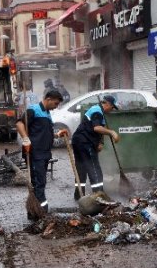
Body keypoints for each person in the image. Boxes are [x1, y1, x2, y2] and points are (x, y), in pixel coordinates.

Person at [16, 90, 66, 219]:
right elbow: (19, 123)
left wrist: (57, 134)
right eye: (55, 103)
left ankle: (35, 212)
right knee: (39, 183)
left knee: (40, 183)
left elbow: (43, 132)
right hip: (35, 153)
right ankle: (41, 212)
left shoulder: (47, 113)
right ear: (48, 99)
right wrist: (25, 139)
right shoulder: (34, 110)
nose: (56, 106)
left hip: (44, 154)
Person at [71, 95, 120, 200]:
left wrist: (101, 142)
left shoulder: (96, 110)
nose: (111, 110)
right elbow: (97, 128)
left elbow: (99, 128)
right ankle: (99, 196)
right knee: (94, 169)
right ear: (107, 104)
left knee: (81, 169)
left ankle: (79, 195)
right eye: (112, 107)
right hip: (85, 142)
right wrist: (112, 132)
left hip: (78, 141)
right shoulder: (97, 111)